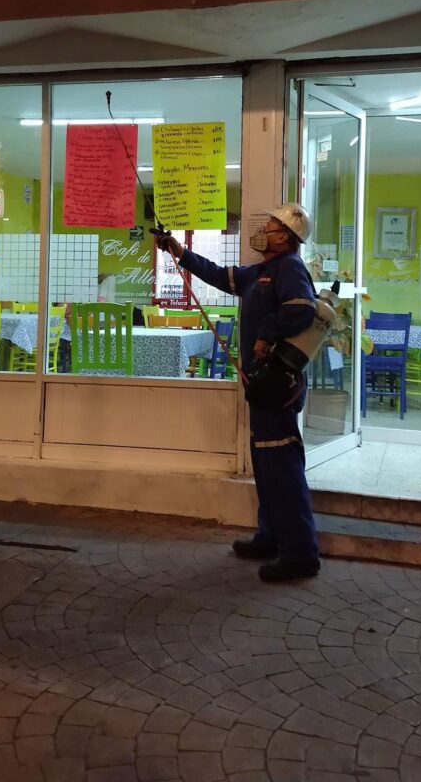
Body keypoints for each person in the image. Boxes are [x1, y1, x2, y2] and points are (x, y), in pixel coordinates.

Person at [155, 203, 320, 583]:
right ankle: (271, 536)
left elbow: (302, 310)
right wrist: (177, 251)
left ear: (287, 237)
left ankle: (300, 553)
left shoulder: (289, 268)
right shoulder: (261, 272)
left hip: (279, 383)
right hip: (261, 383)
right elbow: (218, 274)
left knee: (281, 463)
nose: (263, 230)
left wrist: (266, 332)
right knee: (265, 461)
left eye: (271, 225)